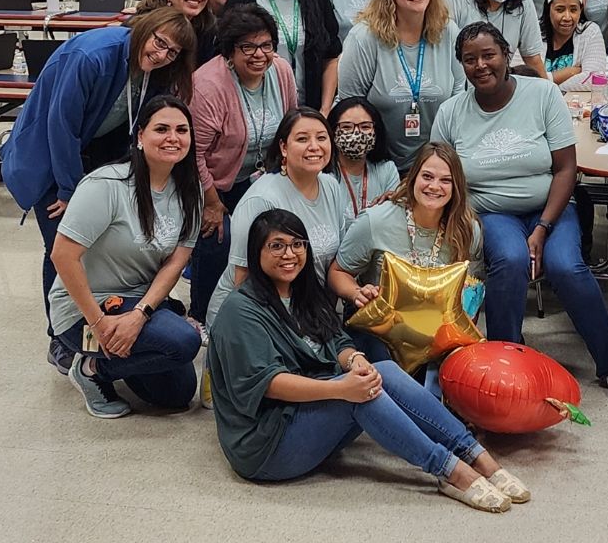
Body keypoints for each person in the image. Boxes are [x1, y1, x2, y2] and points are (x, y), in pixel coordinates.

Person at [207, 209, 528, 507]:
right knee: (359, 397)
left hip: (305, 413)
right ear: (257, 252)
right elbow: (269, 384)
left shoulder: (301, 291)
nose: (289, 254)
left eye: (297, 244)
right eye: (276, 246)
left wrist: (354, 361)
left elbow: (337, 340)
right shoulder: (241, 311)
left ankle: (479, 457)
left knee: (381, 370)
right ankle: (451, 472)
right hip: (266, 444)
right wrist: (341, 389)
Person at [432, 23, 608, 405]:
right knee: (508, 261)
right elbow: (440, 174)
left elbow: (566, 169)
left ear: (506, 55)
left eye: (488, 55)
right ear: (460, 64)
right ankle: (505, 368)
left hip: (553, 208)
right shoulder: (451, 112)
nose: (480, 65)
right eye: (470, 59)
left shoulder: (542, 94)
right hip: (493, 213)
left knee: (565, 267)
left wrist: (543, 228)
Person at [1, 8, 195, 375]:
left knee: (97, 244)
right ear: (144, 28)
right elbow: (61, 125)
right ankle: (62, 340)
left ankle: (110, 324)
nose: (162, 54)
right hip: (48, 161)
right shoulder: (92, 54)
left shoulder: (153, 69)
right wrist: (70, 189)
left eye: (172, 52)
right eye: (159, 42)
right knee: (61, 244)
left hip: (90, 155)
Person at [49, 95, 203, 418]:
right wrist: (99, 323)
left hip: (138, 304)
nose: (173, 138)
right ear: (140, 137)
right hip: (84, 312)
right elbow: (62, 256)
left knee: (177, 394)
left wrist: (141, 314)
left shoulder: (191, 189)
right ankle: (91, 366)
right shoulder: (107, 185)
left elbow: (177, 261)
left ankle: (116, 357)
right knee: (184, 341)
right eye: (161, 129)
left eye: (182, 130)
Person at [188, 4, 298, 327]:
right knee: (217, 241)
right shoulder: (209, 85)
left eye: (266, 45)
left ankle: (268, 313)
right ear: (229, 50)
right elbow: (194, 154)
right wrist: (211, 203)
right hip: (216, 182)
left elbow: (291, 125)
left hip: (265, 174)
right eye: (247, 47)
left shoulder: (281, 71)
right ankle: (203, 316)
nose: (258, 55)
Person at [329, 141, 484, 365]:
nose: (434, 186)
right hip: (380, 328)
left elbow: (474, 284)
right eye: (427, 176)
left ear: (457, 186)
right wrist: (356, 292)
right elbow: (337, 271)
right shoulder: (376, 221)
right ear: (413, 177)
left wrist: (466, 316)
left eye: (446, 180)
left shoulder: (468, 229)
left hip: (439, 328)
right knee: (390, 372)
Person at [206, 108, 350, 330]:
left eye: (322, 138)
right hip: (255, 318)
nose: (314, 146)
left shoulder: (331, 186)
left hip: (309, 310)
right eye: (302, 139)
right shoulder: (261, 200)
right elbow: (243, 280)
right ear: (283, 147)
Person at [338, 0, 465, 172]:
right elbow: (350, 105)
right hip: (376, 162)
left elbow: (457, 97)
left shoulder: (448, 31)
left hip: (435, 162)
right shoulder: (364, 37)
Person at [328, 96, 401, 217]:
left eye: (365, 127)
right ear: (332, 130)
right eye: (346, 127)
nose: (356, 134)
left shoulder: (387, 170)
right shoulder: (324, 175)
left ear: (376, 131)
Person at [540, 0, 608, 91]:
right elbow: (520, 77)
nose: (567, 17)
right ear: (548, 10)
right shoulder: (533, 32)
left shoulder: (589, 31)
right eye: (560, 10)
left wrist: (550, 87)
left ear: (580, 10)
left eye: (573, 10)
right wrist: (569, 72)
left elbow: (595, 79)